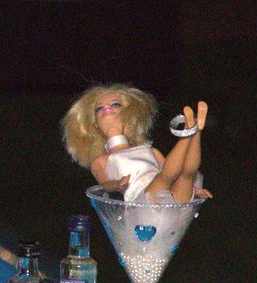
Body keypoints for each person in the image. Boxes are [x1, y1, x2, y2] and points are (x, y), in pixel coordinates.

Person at [60, 83, 209, 205]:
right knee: (163, 177)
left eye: (115, 104)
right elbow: (105, 185)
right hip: (142, 202)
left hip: (172, 196)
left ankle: (195, 131)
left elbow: (175, 171)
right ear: (95, 124)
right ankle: (189, 132)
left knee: (186, 176)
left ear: (129, 115)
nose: (107, 108)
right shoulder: (101, 161)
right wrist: (117, 184)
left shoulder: (149, 151)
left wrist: (194, 190)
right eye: (99, 108)